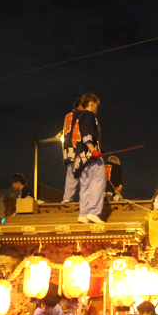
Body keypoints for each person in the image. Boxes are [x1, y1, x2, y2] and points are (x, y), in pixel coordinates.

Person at [72, 93, 105, 224]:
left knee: (85, 185)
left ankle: (83, 214)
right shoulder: (89, 115)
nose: (97, 108)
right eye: (96, 104)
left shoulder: (79, 117)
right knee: (97, 182)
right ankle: (93, 212)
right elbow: (87, 134)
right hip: (91, 155)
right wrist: (93, 149)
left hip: (81, 157)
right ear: (91, 102)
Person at [61, 97, 82, 203]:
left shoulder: (67, 116)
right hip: (78, 149)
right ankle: (86, 200)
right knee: (84, 175)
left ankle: (67, 199)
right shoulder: (81, 115)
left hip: (68, 150)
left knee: (71, 176)